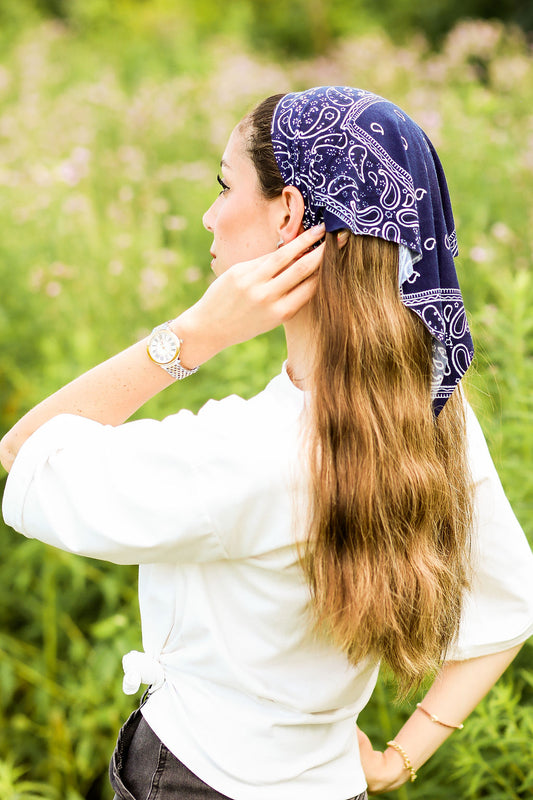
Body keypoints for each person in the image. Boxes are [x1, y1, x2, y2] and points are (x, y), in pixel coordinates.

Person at [1, 85, 533, 800]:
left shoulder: (241, 455)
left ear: (288, 214)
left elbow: (25, 453)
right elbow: (509, 604)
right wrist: (396, 760)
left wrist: (188, 339)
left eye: (224, 186)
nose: (208, 215)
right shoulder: (433, 410)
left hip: (191, 780)